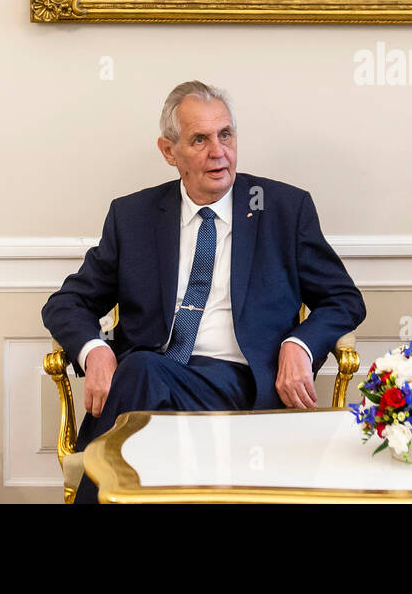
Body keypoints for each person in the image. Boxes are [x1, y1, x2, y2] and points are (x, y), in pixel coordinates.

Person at [42, 81, 366, 503]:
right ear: (168, 151)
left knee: (139, 370)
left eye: (225, 134)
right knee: (143, 372)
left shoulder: (283, 208)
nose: (219, 151)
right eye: (200, 139)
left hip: (242, 381)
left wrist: (299, 344)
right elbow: (68, 302)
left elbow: (344, 300)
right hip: (154, 383)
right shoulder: (133, 216)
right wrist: (94, 351)